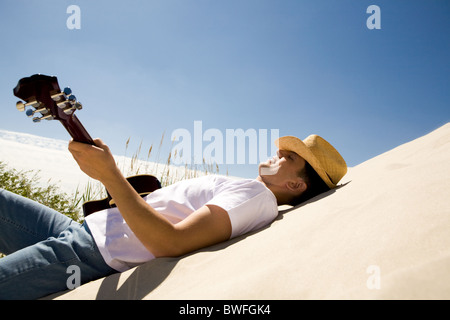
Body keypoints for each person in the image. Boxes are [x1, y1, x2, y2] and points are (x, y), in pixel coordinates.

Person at [0, 133, 346, 299]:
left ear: (296, 185)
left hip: (87, 253)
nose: (278, 152)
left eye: (289, 157)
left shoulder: (254, 196)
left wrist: (110, 174)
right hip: (83, 232)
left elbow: (170, 242)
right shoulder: (251, 193)